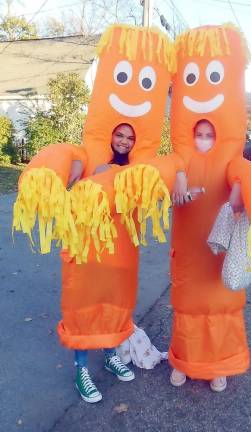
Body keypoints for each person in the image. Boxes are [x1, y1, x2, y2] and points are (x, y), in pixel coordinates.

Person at [170, 119, 244, 392]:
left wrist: (240, 187)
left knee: (219, 306)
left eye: (209, 135)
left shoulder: (231, 161)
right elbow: (161, 180)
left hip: (218, 250)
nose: (203, 139)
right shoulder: (180, 160)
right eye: (198, 135)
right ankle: (183, 362)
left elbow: (247, 179)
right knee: (188, 306)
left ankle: (219, 366)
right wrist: (178, 179)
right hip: (188, 248)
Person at [66, 123, 136, 403]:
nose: (124, 141)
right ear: (109, 136)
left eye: (130, 138)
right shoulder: (90, 160)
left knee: (110, 302)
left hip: (118, 246)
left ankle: (110, 355)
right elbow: (73, 187)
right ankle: (81, 370)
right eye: (119, 134)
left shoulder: (138, 169)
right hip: (87, 244)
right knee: (83, 305)